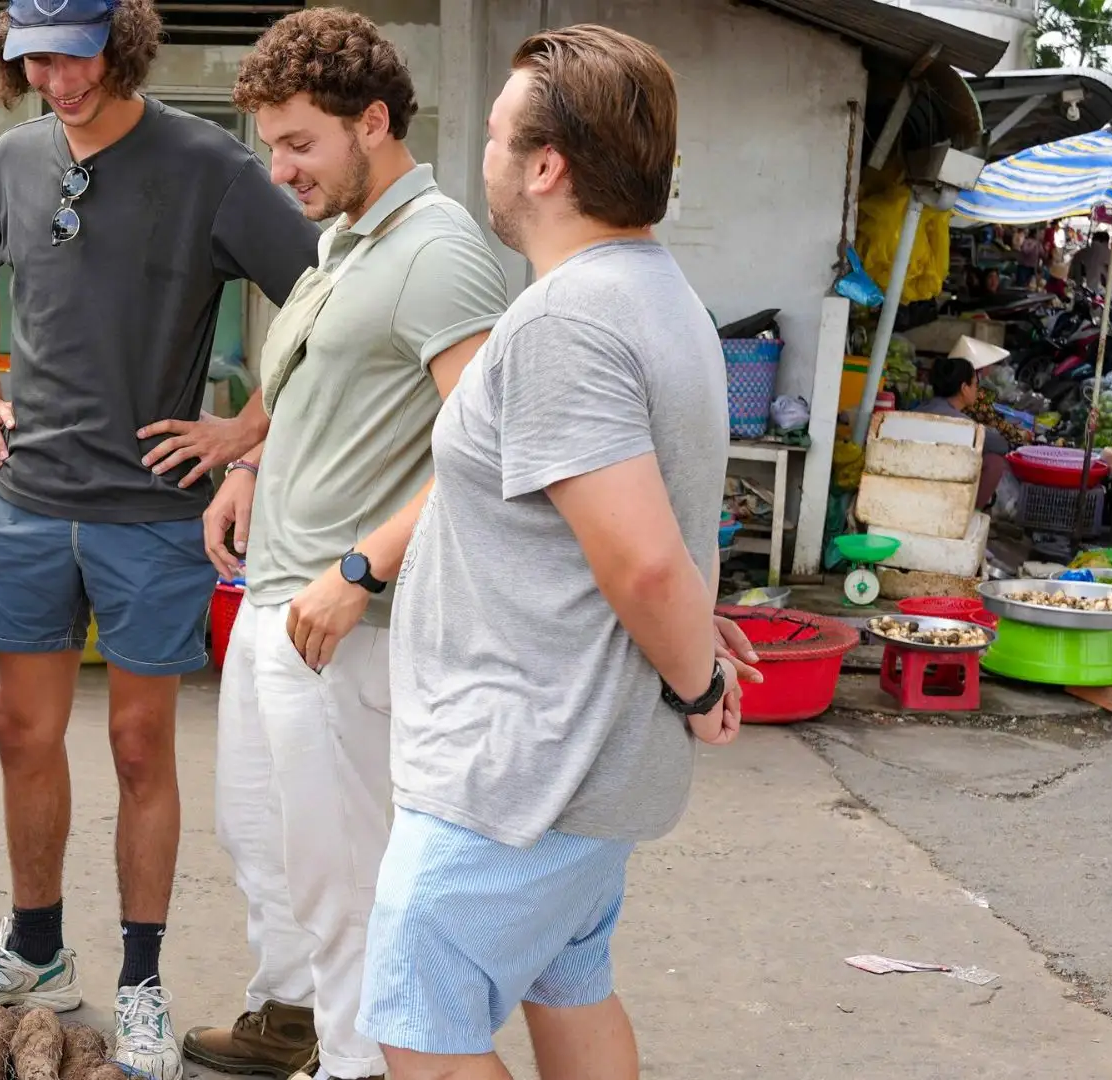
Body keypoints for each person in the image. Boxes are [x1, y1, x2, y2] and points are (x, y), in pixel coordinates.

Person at [0, 2, 319, 1077]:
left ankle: (140, 980)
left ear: (120, 41)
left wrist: (247, 435)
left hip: (151, 509)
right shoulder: (11, 159)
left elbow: (332, 301)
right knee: (20, 732)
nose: (60, 76)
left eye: (78, 52)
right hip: (32, 496)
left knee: (141, 748)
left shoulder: (212, 167)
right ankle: (36, 950)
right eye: (36, 56)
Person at [354, 27, 745, 1080]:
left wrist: (699, 679)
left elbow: (646, 564)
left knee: (418, 1021)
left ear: (545, 166)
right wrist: (689, 660)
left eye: (492, 133)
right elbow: (655, 528)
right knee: (567, 984)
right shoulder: (659, 294)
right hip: (571, 753)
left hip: (523, 765)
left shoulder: (566, 324)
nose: (478, 152)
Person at [182, 13, 507, 1080]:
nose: (281, 170)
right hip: (275, 594)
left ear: (374, 122)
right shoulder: (344, 242)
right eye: (271, 144)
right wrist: (246, 466)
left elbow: (489, 457)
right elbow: (311, 383)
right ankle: (291, 1018)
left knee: (343, 872)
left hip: (345, 618)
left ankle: (360, 1063)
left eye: (301, 144)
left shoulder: (441, 254)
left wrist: (363, 568)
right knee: (263, 842)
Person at [915, 355, 1008, 508]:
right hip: (942, 489)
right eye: (975, 385)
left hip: (915, 479)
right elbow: (1001, 446)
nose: (977, 390)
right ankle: (971, 513)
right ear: (964, 388)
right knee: (995, 462)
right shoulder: (962, 423)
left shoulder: (917, 410)